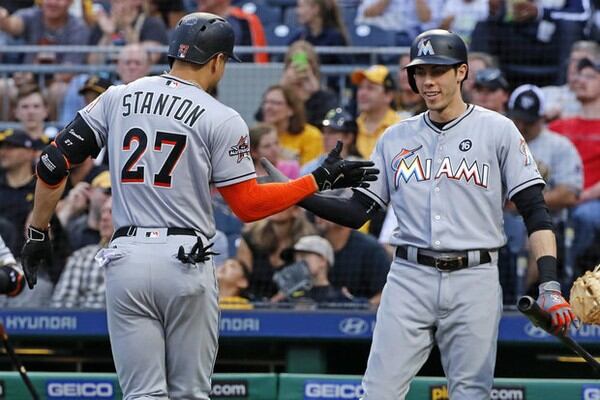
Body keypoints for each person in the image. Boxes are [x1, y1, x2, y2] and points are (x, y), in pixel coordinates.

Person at [20, 12, 376, 400]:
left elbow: (52, 164)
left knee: (142, 395)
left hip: (126, 256)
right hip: (183, 259)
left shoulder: (118, 95)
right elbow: (249, 206)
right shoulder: (221, 116)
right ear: (218, 61)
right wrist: (316, 180)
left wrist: (38, 231)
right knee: (189, 394)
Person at [261, 29, 575, 399]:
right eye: (420, 72)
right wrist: (300, 191)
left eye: (437, 71)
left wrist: (550, 285)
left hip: (474, 276)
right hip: (410, 276)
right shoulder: (396, 137)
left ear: (461, 72)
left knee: (471, 393)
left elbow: (536, 212)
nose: (427, 81)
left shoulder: (498, 130)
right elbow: (356, 210)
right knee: (377, 392)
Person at [503, 84, 583, 298]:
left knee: (531, 235)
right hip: (498, 216)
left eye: (528, 121)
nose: (521, 125)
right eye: (517, 118)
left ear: (541, 118)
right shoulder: (498, 140)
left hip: (543, 219)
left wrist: (525, 203)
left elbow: (569, 193)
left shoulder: (559, 146)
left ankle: (513, 296)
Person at [548, 57, 600, 272]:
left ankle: (576, 275)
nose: (581, 81)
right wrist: (543, 118)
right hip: (558, 198)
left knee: (585, 216)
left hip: (591, 200)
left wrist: (584, 195)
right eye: (579, 76)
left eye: (590, 76)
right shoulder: (559, 125)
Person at [51, 196, 113, 308]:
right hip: (84, 323)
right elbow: (62, 305)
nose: (104, 217)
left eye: (111, 212)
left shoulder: (141, 258)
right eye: (102, 212)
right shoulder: (81, 256)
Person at [273, 235, 355, 304]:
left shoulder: (340, 299)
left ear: (322, 261)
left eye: (304, 256)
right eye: (296, 258)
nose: (298, 262)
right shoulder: (288, 297)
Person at [0, 129, 45, 254]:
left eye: (10, 148)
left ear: (29, 152)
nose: (3, 152)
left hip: (28, 255)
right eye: (2, 148)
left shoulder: (42, 187)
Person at [259, 84, 324, 165]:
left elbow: (310, 171)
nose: (267, 107)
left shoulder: (311, 135)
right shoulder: (258, 135)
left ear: (291, 109)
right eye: (265, 102)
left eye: (275, 103)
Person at [351, 65, 401, 158]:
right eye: (361, 87)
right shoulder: (351, 127)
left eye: (370, 88)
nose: (362, 93)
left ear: (388, 96)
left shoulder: (401, 127)